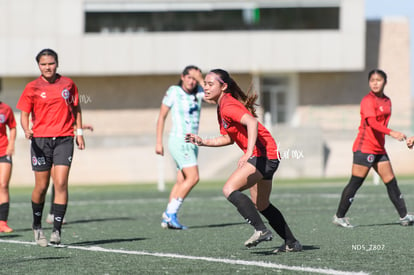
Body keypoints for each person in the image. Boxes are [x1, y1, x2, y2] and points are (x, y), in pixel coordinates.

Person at [185, 69, 301, 253]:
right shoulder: (222, 106)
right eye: (205, 84)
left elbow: (252, 123)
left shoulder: (228, 104)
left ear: (223, 87)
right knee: (261, 204)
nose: (205, 88)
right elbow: (228, 138)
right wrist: (203, 141)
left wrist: (248, 153)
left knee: (229, 189)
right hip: (268, 155)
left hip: (263, 155)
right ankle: (292, 242)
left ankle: (261, 230)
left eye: (210, 84)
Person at [17, 48, 85, 246]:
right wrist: (26, 129)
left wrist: (79, 133)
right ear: (39, 66)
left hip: (64, 138)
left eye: (51, 63)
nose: (48, 67)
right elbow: (23, 113)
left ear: (57, 63)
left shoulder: (68, 84)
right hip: (40, 141)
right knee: (41, 186)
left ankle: (56, 230)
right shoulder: (32, 87)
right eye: (44, 64)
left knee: (61, 183)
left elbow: (76, 108)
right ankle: (37, 226)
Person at [333, 69, 414, 228]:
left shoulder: (387, 101)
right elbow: (372, 123)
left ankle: (404, 216)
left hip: (379, 149)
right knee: (356, 182)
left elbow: (381, 125)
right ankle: (339, 216)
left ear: (385, 82)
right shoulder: (367, 101)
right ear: (369, 83)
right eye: (372, 80)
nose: (375, 83)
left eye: (379, 80)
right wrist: (392, 133)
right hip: (365, 148)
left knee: (391, 182)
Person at [155, 65, 204, 230]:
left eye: (195, 78)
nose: (192, 81)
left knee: (182, 180)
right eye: (189, 77)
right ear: (182, 77)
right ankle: (171, 214)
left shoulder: (199, 92)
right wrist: (158, 142)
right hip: (179, 141)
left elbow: (214, 98)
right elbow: (162, 116)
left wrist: (201, 80)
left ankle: (167, 217)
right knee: (193, 177)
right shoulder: (174, 91)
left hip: (192, 143)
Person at [46, 124, 94, 224]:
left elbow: (66, 125)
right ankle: (50, 214)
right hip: (45, 141)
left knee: (60, 181)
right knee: (50, 182)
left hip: (61, 143)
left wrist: (80, 128)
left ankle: (54, 214)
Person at [0, 102, 16, 233]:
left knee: (3, 185)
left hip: (3, 151)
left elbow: (12, 127)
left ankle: (2, 222)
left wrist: (11, 144)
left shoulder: (6, 108)